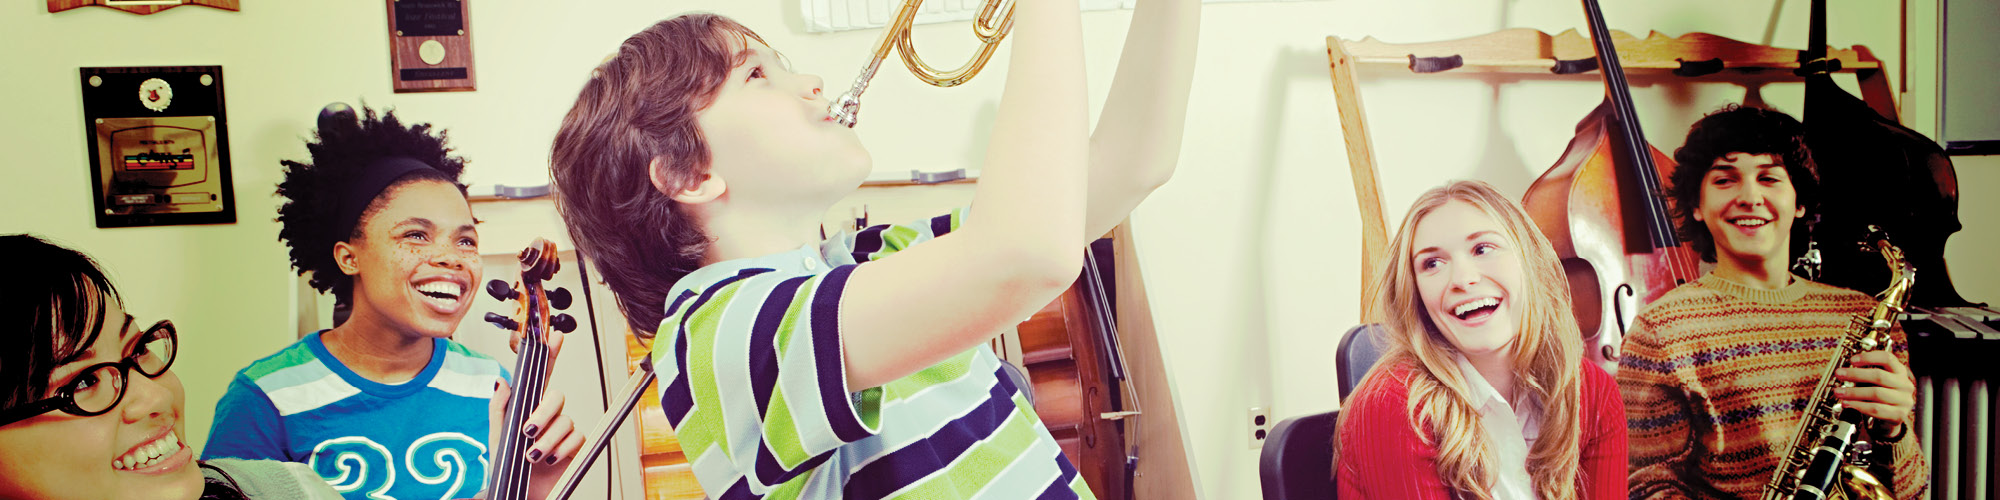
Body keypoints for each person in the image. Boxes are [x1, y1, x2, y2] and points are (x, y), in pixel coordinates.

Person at [547, 0, 1198, 497]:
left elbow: (1129, 166)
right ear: (687, 174)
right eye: (755, 74)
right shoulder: (712, 334)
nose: (812, 82)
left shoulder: (868, 259)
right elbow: (1027, 252)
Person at [201, 105, 580, 500]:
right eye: (416, 235)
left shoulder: (493, 384)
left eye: (465, 240)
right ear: (350, 257)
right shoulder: (265, 397)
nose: (451, 257)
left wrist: (535, 494)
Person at [1619, 104, 1928, 499]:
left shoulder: (1867, 319)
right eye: (1725, 180)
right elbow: (1645, 488)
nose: (1750, 197)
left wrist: (1894, 431)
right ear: (1696, 205)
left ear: (1800, 202)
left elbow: (1910, 492)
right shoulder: (1661, 330)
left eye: (1769, 178)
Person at [1336, 181, 1628, 500]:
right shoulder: (1393, 405)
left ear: (1527, 259)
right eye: (1432, 263)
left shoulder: (1593, 392)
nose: (1463, 279)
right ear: (1415, 293)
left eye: (1482, 249)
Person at [0, 234, 343, 500]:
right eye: (85, 381)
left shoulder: (287, 489)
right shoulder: (263, 392)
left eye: (138, 350)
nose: (157, 396)